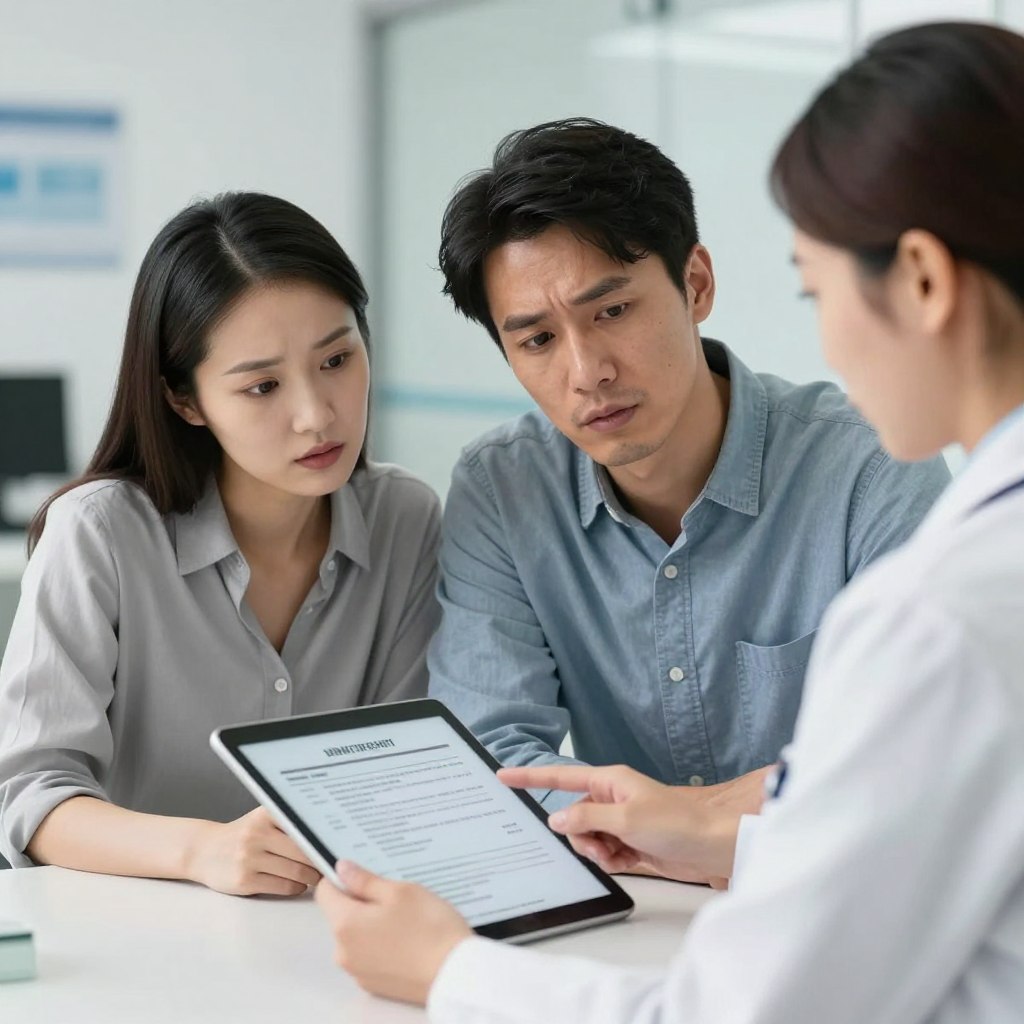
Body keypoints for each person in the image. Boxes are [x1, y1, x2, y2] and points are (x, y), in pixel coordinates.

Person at [316, 20, 1024, 1021]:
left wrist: (447, 972)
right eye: (534, 337)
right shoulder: (979, 572)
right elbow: (894, 826)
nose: (585, 370)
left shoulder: (937, 609)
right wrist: (717, 830)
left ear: (920, 280)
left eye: (813, 289)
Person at [425, 115, 950, 822]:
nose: (587, 373)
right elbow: (490, 751)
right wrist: (666, 830)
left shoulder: (871, 467)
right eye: (539, 339)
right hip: (631, 902)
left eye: (612, 310)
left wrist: (687, 827)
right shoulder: (502, 490)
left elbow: (918, 749)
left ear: (695, 284)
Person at [0, 193, 441, 894]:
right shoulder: (99, 534)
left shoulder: (406, 519)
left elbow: (405, 775)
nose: (316, 415)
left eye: (336, 360)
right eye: (262, 385)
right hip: (132, 946)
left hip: (331, 938)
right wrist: (200, 852)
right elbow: (33, 794)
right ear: (186, 400)